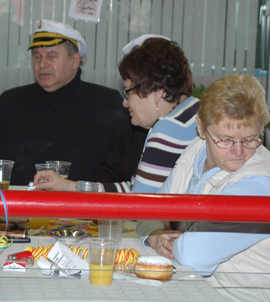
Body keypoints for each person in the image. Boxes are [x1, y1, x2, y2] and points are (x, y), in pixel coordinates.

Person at [136, 74, 270, 302]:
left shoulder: (260, 185)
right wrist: (157, 237)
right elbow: (150, 212)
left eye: (250, 139)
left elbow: (194, 256)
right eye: (226, 139)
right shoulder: (196, 151)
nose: (238, 151)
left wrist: (174, 240)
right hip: (232, 298)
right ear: (201, 127)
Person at [34, 36, 200, 193]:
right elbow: (135, 190)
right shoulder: (193, 110)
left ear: (156, 92)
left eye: (129, 92)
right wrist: (68, 186)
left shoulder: (168, 129)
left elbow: (140, 205)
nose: (125, 102)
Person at [0, 19, 129, 185]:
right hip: (19, 207)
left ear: (75, 60)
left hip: (88, 207)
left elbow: (121, 170)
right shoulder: (10, 104)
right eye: (37, 57)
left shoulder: (109, 105)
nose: (42, 64)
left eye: (52, 56)